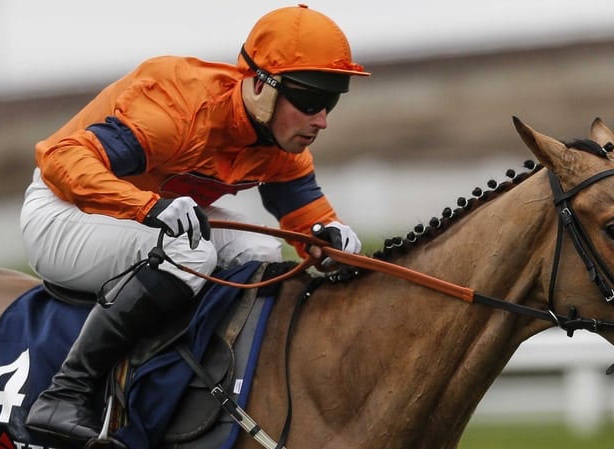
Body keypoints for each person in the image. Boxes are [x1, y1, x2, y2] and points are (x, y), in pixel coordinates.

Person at [21, 4, 368, 446]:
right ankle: (65, 394)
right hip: (62, 213)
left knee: (261, 253)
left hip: (140, 219)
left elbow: (304, 216)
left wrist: (327, 238)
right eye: (311, 101)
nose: (321, 119)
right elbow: (60, 158)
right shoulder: (176, 109)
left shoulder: (282, 144)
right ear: (261, 84)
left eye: (331, 101)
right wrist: (146, 205)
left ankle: (212, 380)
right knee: (192, 251)